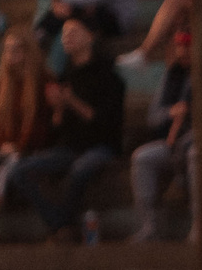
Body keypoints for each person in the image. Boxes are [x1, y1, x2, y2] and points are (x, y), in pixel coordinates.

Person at [11, 17, 124, 240]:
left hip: (101, 146)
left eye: (73, 31)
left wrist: (71, 101)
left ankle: (62, 225)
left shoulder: (108, 76)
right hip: (70, 147)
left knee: (80, 170)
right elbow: (57, 128)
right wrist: (59, 109)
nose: (67, 37)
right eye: (64, 33)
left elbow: (104, 122)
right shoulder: (64, 76)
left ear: (90, 36)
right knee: (19, 171)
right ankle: (59, 223)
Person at [130, 29, 202, 242]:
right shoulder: (173, 75)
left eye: (188, 46)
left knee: (197, 154)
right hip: (177, 141)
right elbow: (153, 117)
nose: (183, 51)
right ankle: (150, 226)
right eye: (179, 46)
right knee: (142, 157)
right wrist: (171, 112)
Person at [0, 30, 50, 237]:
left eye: (16, 49)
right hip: (6, 147)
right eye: (7, 50)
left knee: (6, 166)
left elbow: (42, 124)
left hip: (32, 148)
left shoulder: (43, 79)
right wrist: (1, 144)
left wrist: (19, 146)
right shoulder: (2, 84)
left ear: (28, 52)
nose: (11, 55)